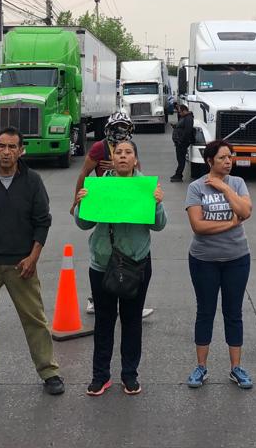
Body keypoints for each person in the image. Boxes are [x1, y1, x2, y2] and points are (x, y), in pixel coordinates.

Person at [0, 127, 64, 397]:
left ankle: (49, 371)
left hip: (22, 265)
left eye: (12, 147)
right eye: (2, 146)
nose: (6, 152)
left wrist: (33, 258)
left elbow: (42, 222)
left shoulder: (33, 181)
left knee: (35, 320)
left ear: (21, 151)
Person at [74, 140, 166, 396]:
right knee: (104, 321)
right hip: (103, 264)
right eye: (118, 153)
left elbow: (159, 225)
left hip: (136, 265)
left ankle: (129, 375)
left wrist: (157, 202)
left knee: (131, 320)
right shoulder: (101, 186)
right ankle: (100, 375)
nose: (123, 157)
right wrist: (82, 202)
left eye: (128, 153)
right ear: (112, 159)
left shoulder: (146, 187)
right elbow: (83, 225)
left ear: (136, 159)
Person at [184, 139, 254, 390]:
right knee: (205, 311)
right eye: (223, 157)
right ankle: (201, 367)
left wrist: (225, 189)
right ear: (209, 160)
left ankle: (236, 368)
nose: (228, 161)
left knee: (233, 313)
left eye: (230, 157)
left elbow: (245, 211)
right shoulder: (195, 187)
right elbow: (198, 226)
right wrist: (230, 224)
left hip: (237, 259)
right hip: (204, 260)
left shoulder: (237, 183)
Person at [73, 112, 153, 318]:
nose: (121, 132)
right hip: (104, 205)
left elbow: (140, 175)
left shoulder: (130, 149)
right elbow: (84, 173)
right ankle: (96, 297)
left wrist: (147, 193)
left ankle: (131, 294)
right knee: (105, 254)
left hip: (127, 204)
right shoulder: (100, 147)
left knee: (128, 249)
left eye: (124, 127)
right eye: (117, 127)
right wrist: (77, 200)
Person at [171, 102, 195, 183]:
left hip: (182, 143)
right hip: (180, 142)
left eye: (180, 112)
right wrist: (175, 126)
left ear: (184, 111)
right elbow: (182, 127)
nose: (179, 113)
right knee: (179, 159)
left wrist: (182, 141)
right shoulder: (184, 117)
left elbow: (188, 131)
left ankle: (178, 175)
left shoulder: (188, 118)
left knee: (181, 159)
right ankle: (178, 174)